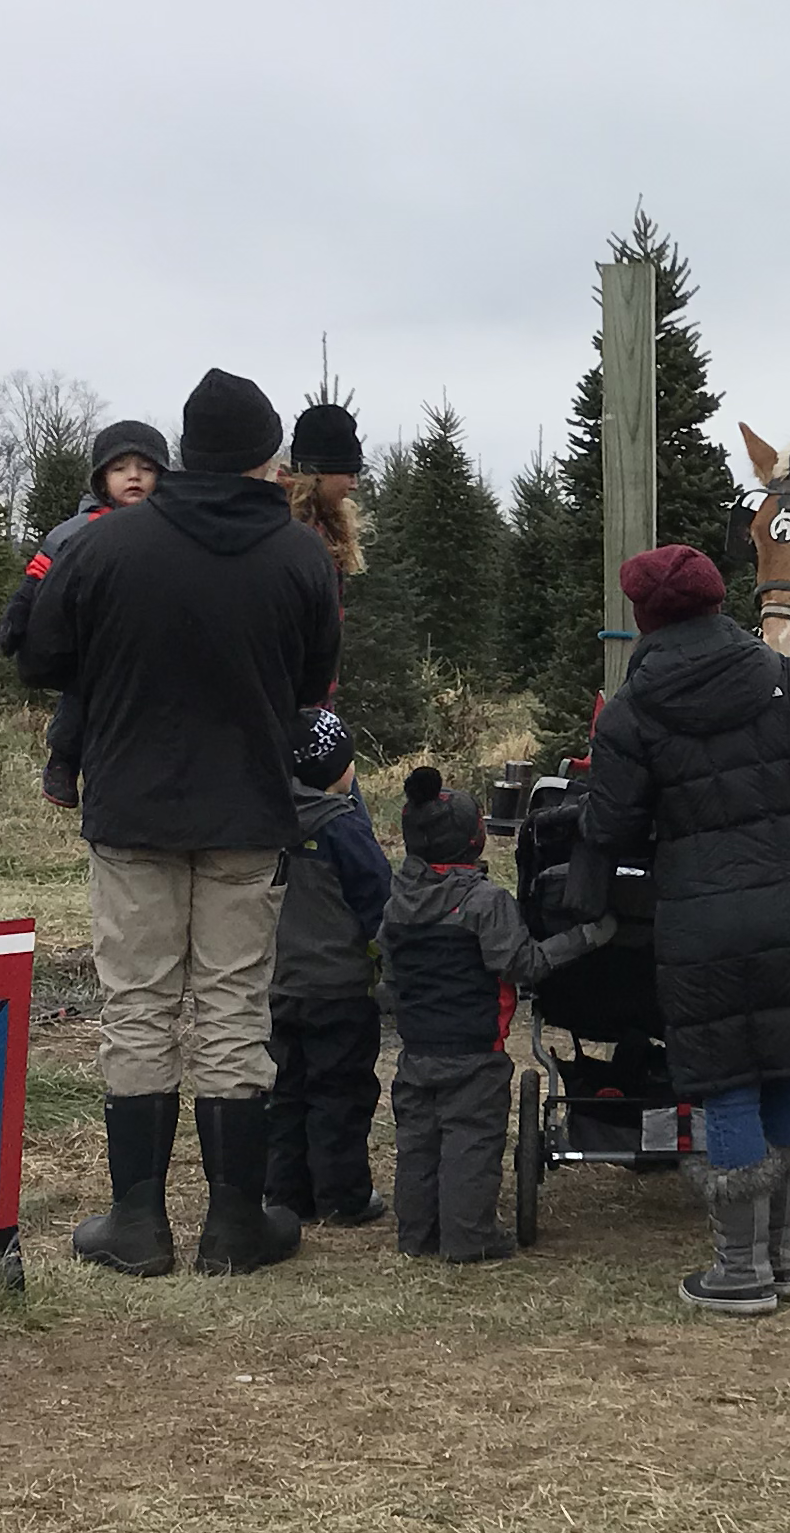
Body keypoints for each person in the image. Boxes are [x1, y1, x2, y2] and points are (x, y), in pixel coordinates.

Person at [18, 368, 343, 1277]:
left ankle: (137, 1223)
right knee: (235, 1009)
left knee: (139, 1005)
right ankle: (235, 1226)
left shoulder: (108, 546)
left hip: (130, 809)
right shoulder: (298, 557)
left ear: (185, 451)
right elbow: (313, 687)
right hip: (247, 811)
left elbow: (42, 657)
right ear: (260, 457)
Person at [573, 543, 790, 1315]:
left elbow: (610, 822)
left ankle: (740, 1271)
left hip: (704, 914)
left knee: (730, 1081)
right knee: (786, 1072)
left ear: (645, 617)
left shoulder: (634, 710)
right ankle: (789, 1257)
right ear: (718, 601)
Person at [382, 767, 613, 1263]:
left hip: (418, 1047)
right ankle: (469, 1236)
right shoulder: (486, 903)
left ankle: (416, 1235)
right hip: (475, 1047)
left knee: (418, 1142)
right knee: (472, 1139)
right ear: (475, 841)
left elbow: (390, 971)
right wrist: (584, 939)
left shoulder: (396, 902)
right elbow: (522, 963)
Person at [0, 419, 172, 808]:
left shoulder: (173, 527)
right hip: (93, 643)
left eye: (146, 469)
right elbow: (38, 575)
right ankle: (63, 760)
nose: (134, 477)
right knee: (78, 703)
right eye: (120, 469)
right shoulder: (78, 530)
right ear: (100, 479)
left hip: (153, 643)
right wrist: (17, 618)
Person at [264, 709, 391, 1227]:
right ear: (339, 770)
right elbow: (380, 900)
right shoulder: (343, 831)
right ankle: (342, 1196)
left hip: (278, 985)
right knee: (340, 1093)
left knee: (285, 1091)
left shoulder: (264, 822)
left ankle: (286, 1194)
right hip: (339, 989)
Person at [283, 402, 366, 578]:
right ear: (319, 475)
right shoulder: (286, 539)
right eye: (349, 474)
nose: (354, 485)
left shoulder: (327, 528)